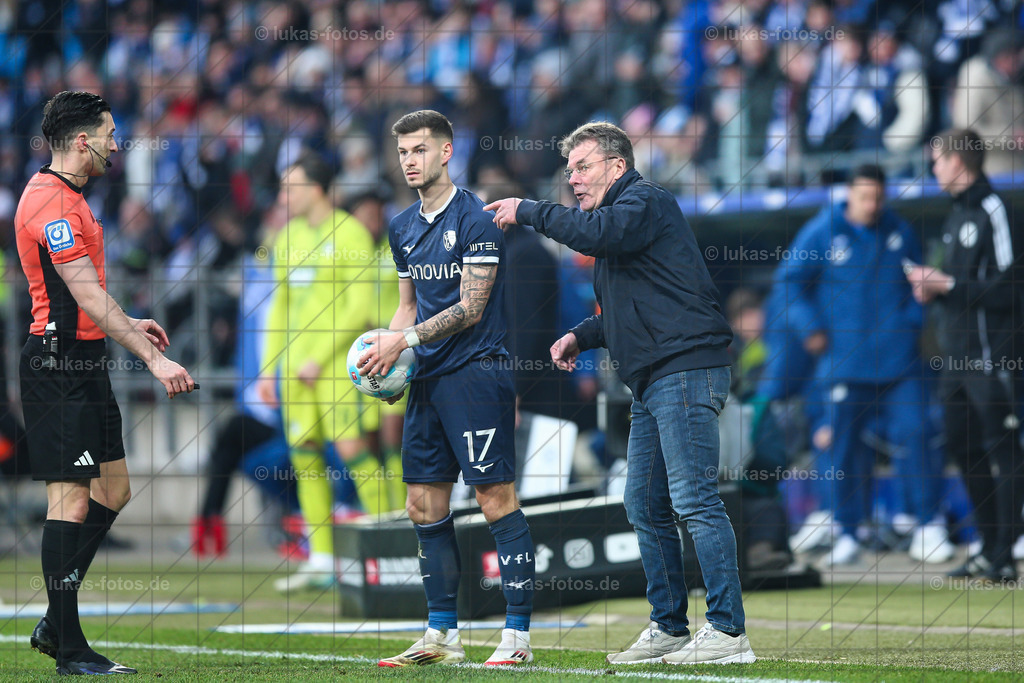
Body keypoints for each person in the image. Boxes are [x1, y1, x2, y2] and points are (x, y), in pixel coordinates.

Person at [485, 121, 755, 665]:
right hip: (655, 377)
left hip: (684, 370)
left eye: (583, 168)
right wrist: (580, 336)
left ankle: (728, 632)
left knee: (694, 500)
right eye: (569, 172)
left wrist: (529, 209)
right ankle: (670, 626)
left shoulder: (645, 201)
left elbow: (595, 236)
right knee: (643, 503)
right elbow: (627, 313)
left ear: (618, 165)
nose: (574, 181)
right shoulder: (619, 226)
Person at [16, 90, 195, 675]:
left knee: (112, 493)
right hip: (56, 366)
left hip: (85, 363)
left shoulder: (71, 197)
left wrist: (126, 321)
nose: (117, 144)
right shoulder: (52, 203)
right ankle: (68, 647)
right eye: (111, 133)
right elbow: (85, 292)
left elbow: (87, 294)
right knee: (68, 500)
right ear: (83, 140)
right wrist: (154, 359)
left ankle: (53, 619)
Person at [357, 110, 536, 667]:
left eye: (419, 150)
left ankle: (517, 637)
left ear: (445, 152)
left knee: (494, 499)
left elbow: (471, 307)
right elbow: (408, 305)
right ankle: (442, 637)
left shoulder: (477, 219)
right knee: (421, 503)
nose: (409, 161)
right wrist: (392, 364)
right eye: (402, 152)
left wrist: (402, 339)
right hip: (429, 379)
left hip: (478, 373)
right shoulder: (402, 226)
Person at [778, 164, 950, 566]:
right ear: (850, 196)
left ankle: (929, 525)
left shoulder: (900, 230)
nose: (872, 205)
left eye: (878, 198)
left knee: (918, 431)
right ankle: (848, 529)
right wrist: (810, 327)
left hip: (899, 360)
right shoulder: (822, 231)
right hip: (844, 361)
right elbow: (789, 282)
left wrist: (911, 323)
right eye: (864, 197)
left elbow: (917, 284)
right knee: (842, 447)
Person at [256, 153, 383, 593]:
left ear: (319, 189)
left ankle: (391, 548)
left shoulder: (351, 233)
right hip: (294, 371)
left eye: (292, 186)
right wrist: (268, 369)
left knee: (352, 450)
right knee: (305, 457)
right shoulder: (286, 237)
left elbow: (360, 308)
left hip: (334, 368)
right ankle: (322, 558)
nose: (284, 196)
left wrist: (321, 356)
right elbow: (280, 307)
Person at [907, 128, 1022, 581]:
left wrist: (948, 285)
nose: (933, 168)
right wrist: (932, 289)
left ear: (957, 161)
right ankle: (989, 546)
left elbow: (1011, 286)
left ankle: (1004, 554)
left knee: (1004, 447)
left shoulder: (995, 209)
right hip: (955, 357)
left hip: (992, 354)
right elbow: (959, 289)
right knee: (961, 444)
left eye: (937, 160)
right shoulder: (955, 215)